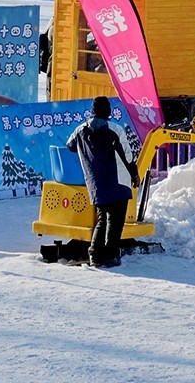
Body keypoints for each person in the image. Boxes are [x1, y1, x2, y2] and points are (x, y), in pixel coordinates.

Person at [66, 96, 139, 268]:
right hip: (118, 181)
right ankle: (111, 256)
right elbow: (128, 156)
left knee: (102, 219)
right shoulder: (115, 129)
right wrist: (134, 175)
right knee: (115, 221)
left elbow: (69, 145)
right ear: (108, 111)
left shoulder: (80, 130)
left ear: (92, 110)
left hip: (96, 182)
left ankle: (95, 255)